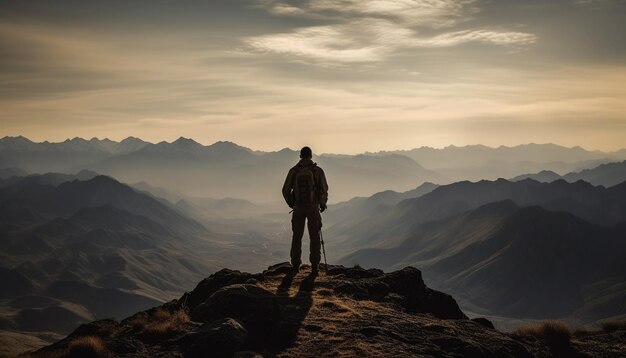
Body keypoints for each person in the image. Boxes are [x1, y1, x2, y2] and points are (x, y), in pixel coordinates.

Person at [282, 146, 329, 274]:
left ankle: (295, 265)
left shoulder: (294, 171)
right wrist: (322, 204)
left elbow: (285, 190)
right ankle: (314, 266)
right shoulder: (317, 171)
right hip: (313, 208)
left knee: (297, 236)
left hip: (298, 208)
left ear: (300, 156)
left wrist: (292, 204)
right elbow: (324, 189)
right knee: (314, 236)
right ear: (311, 156)